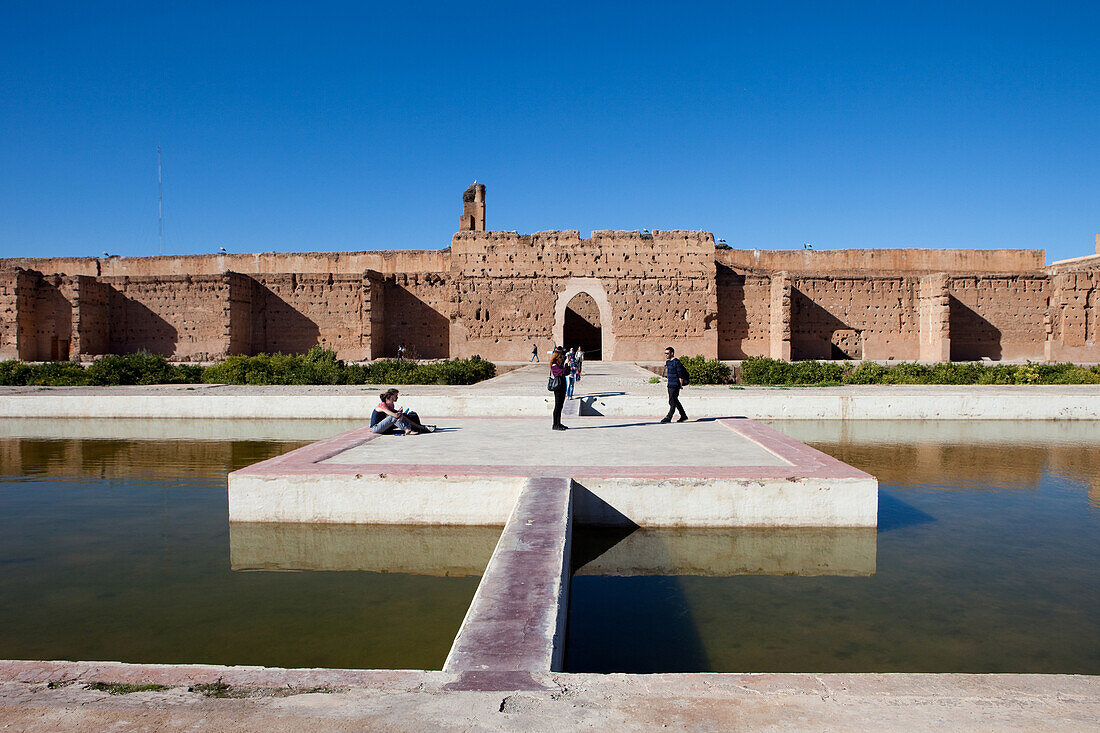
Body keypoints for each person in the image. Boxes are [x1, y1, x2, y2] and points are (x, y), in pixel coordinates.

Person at [660, 346, 689, 423]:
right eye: (665, 353)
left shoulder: (676, 362)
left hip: (675, 385)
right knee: (673, 401)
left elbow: (680, 375)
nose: (666, 355)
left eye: (667, 353)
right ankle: (683, 415)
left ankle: (668, 417)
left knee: (673, 401)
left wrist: (680, 385)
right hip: (670, 384)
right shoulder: (668, 362)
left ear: (672, 353)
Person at [549, 347, 569, 430]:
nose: (561, 359)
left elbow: (567, 372)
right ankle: (555, 424)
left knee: (560, 406)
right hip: (558, 388)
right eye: (560, 357)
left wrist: (566, 364)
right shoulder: (554, 366)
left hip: (562, 386)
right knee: (557, 406)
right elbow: (562, 372)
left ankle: (559, 423)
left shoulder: (559, 365)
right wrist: (565, 365)